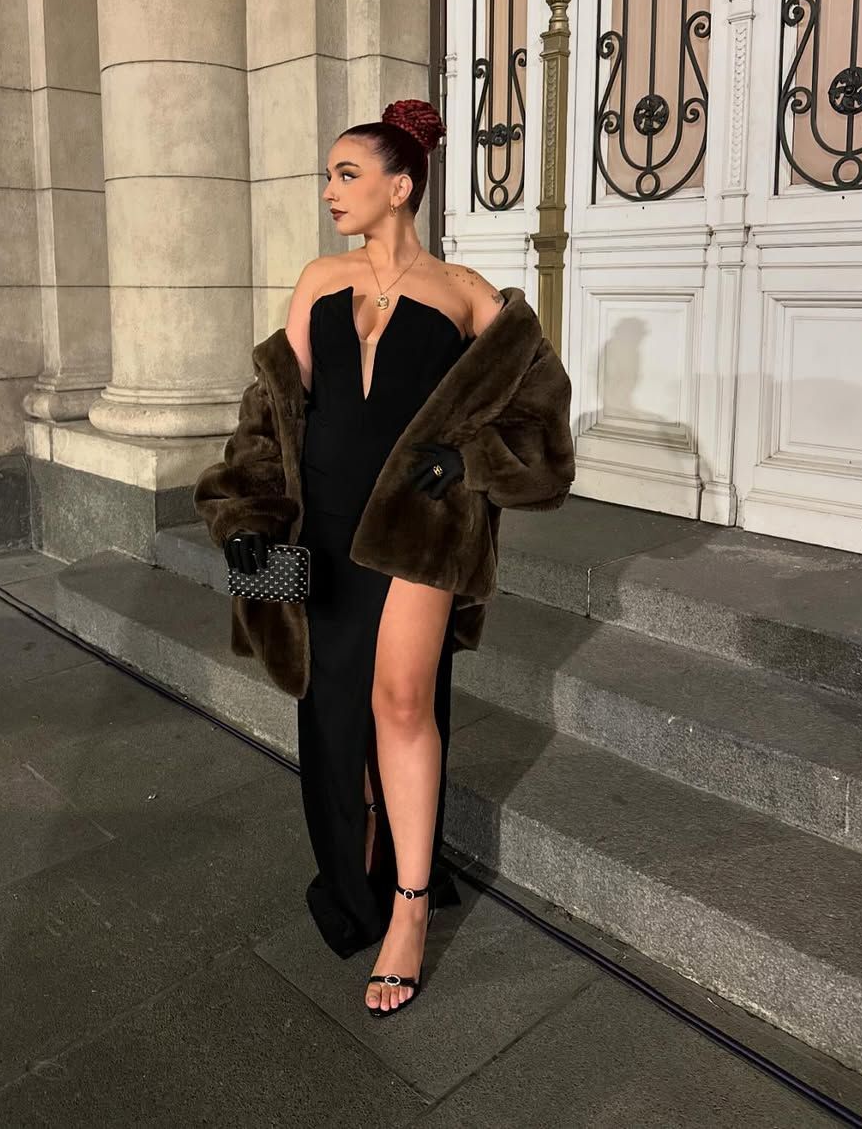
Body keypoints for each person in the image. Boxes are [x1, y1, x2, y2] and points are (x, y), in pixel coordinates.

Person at [193, 98, 577, 1019]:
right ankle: (362, 857)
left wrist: (472, 462)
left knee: (400, 700)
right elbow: (271, 412)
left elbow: (544, 422)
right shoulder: (318, 280)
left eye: (347, 174)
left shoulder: (467, 293)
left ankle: (408, 906)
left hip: (419, 524)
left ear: (400, 187)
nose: (330, 190)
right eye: (327, 175)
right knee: (335, 707)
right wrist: (248, 511)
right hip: (322, 523)